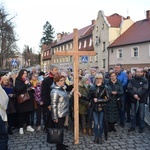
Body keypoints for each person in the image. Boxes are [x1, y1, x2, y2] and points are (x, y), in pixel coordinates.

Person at [50, 73, 74, 150]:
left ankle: (61, 144)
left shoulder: (62, 89)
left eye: (63, 80)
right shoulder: (54, 91)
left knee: (61, 130)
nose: (63, 82)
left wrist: (72, 92)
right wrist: (54, 117)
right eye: (61, 80)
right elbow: (53, 105)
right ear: (56, 82)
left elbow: (67, 98)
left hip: (63, 112)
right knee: (59, 130)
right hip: (58, 114)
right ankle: (59, 147)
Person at [88, 73, 109, 144]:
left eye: (100, 78)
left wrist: (98, 100)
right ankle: (96, 137)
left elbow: (108, 99)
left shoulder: (105, 87)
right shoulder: (92, 87)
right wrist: (80, 95)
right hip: (94, 108)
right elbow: (88, 98)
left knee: (101, 123)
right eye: (97, 78)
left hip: (102, 108)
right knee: (96, 124)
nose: (99, 80)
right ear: (95, 79)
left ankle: (100, 137)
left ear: (102, 79)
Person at [127, 68, 148, 133]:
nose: (139, 73)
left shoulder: (145, 80)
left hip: (141, 100)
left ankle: (141, 127)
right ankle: (132, 126)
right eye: (137, 72)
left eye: (140, 72)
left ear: (142, 73)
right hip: (133, 99)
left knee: (141, 114)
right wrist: (134, 95)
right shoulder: (132, 80)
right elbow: (129, 88)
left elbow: (145, 89)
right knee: (132, 114)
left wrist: (138, 95)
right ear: (135, 73)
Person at [14, 69, 35, 134]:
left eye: (26, 73)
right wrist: (25, 84)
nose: (25, 74)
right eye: (24, 73)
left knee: (27, 113)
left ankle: (28, 126)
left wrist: (31, 88)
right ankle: (21, 127)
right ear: (21, 74)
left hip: (28, 99)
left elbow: (29, 87)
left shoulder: (26, 80)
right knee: (21, 114)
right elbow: (18, 89)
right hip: (22, 99)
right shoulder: (18, 80)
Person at [41, 64, 58, 130]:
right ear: (51, 70)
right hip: (49, 102)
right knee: (49, 118)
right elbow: (44, 93)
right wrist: (48, 104)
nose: (57, 71)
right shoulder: (46, 80)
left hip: (57, 102)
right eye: (55, 70)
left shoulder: (58, 79)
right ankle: (50, 132)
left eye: (57, 70)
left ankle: (56, 131)